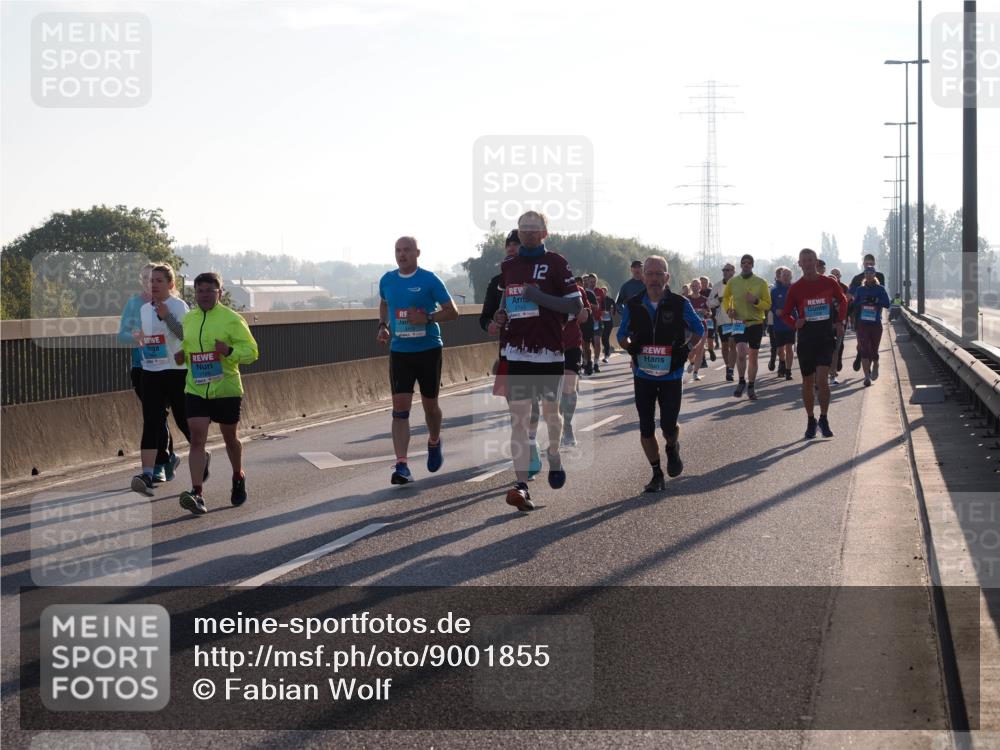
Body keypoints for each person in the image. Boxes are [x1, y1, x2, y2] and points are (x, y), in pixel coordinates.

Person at [493, 211, 582, 512]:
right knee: (518, 419)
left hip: (549, 352)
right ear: (518, 233)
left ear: (545, 232)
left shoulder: (557, 263)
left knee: (550, 415)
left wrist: (540, 297)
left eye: (534, 228)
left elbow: (575, 305)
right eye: (523, 228)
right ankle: (521, 485)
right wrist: (500, 316)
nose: (528, 233)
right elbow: (508, 300)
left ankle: (553, 453)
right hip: (517, 352)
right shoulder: (509, 265)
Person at [617, 256, 704, 493]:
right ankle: (656, 473)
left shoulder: (679, 303)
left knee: (667, 425)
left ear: (667, 277)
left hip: (671, 374)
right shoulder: (633, 304)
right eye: (650, 273)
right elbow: (621, 335)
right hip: (643, 374)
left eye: (659, 274)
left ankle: (672, 446)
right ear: (643, 277)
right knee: (646, 426)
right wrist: (630, 348)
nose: (654, 278)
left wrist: (686, 350)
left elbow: (699, 328)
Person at [377, 236, 460, 484]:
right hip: (400, 351)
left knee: (430, 408)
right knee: (400, 410)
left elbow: (453, 311)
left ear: (417, 253)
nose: (402, 255)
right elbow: (384, 302)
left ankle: (434, 440)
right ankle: (401, 466)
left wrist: (427, 318)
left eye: (407, 251)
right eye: (398, 251)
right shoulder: (387, 280)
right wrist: (383, 325)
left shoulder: (429, 280)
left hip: (428, 349)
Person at [175, 273, 260, 515]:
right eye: (199, 290)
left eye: (209, 290)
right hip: (196, 387)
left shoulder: (232, 319)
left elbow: (252, 352)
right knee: (197, 438)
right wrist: (182, 354)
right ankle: (197, 493)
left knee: (230, 438)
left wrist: (229, 350)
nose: (203, 295)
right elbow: (189, 345)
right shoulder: (189, 319)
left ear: (219, 293)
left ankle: (238, 475)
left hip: (226, 388)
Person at [482, 231, 544, 479]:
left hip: (537, 350)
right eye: (508, 245)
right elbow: (485, 315)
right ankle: (525, 449)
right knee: (516, 406)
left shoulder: (540, 277)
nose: (511, 248)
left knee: (534, 403)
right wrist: (491, 324)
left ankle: (531, 442)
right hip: (509, 352)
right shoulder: (498, 280)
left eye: (516, 244)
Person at [130, 264, 192, 497]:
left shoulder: (179, 306)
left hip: (176, 370)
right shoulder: (145, 310)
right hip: (151, 369)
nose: (153, 285)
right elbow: (152, 338)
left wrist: (167, 318)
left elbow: (184, 336)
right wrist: (142, 339)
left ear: (170, 284)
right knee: (151, 421)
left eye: (159, 281)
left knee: (183, 419)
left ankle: (199, 452)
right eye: (151, 281)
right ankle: (146, 474)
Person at [119, 262, 178, 482]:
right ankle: (161, 463)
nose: (149, 283)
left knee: (161, 416)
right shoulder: (134, 304)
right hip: (142, 367)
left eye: (153, 279)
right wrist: (136, 336)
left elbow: (182, 333)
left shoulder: (172, 304)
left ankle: (166, 459)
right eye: (145, 279)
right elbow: (121, 335)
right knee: (155, 416)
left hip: (169, 368)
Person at [780, 248, 847, 439]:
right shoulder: (796, 288)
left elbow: (843, 301)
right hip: (806, 339)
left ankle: (824, 418)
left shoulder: (829, 282)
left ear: (816, 262)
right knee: (808, 382)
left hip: (825, 337)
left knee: (822, 380)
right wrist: (795, 323)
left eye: (811, 260)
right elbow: (785, 314)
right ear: (799, 263)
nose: (808, 264)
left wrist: (840, 321)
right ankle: (811, 420)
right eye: (804, 261)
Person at [722, 254, 771, 401]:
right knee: (741, 352)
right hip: (739, 322)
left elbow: (768, 304)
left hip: (755, 322)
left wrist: (756, 300)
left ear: (752, 265)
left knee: (753, 357)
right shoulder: (733, 282)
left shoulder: (761, 282)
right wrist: (728, 309)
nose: (746, 265)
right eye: (744, 263)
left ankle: (751, 385)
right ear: (741, 265)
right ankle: (741, 381)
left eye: (749, 263)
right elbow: (726, 298)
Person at [561, 277, 592, 447]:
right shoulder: (543, 291)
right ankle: (557, 425)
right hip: (548, 346)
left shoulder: (577, 291)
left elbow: (584, 316)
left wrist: (575, 306)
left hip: (572, 344)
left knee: (570, 389)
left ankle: (567, 425)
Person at [852, 268, 891, 386]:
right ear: (864, 275)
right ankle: (866, 377)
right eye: (866, 273)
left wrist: (876, 300)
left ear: (874, 275)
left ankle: (876, 364)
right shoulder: (860, 289)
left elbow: (887, 304)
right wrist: (862, 301)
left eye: (871, 273)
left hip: (875, 324)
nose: (868, 275)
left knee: (874, 351)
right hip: (863, 324)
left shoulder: (880, 289)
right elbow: (854, 304)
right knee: (864, 350)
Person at [848, 256, 887, 371]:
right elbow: (849, 296)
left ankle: (869, 362)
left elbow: (882, 294)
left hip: (875, 317)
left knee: (872, 347)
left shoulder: (880, 276)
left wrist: (875, 300)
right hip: (860, 316)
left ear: (874, 263)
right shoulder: (856, 279)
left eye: (871, 263)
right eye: (866, 263)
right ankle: (861, 357)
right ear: (863, 263)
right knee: (862, 343)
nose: (868, 266)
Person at [708, 263, 738, 381]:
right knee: (725, 346)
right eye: (724, 270)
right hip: (723, 321)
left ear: (733, 272)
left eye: (728, 270)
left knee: (733, 344)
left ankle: (730, 370)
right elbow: (709, 303)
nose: (725, 272)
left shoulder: (738, 284)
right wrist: (718, 300)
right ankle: (727, 366)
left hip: (737, 320)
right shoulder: (717, 286)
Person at [769, 266, 796, 380]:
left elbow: (799, 303)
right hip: (778, 323)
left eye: (787, 276)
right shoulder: (774, 291)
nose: (785, 277)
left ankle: (788, 371)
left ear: (791, 277)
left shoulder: (794, 289)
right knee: (780, 349)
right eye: (783, 275)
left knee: (789, 347)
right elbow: (770, 304)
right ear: (779, 277)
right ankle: (782, 362)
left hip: (790, 322)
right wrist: (776, 310)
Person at [828, 268, 850, 384]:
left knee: (836, 350)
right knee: (826, 350)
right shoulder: (822, 295)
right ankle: (824, 373)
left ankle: (832, 374)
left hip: (837, 325)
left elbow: (846, 307)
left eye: (834, 280)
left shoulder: (842, 296)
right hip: (824, 327)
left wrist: (841, 322)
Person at [685, 279, 709, 381]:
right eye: (693, 286)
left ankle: (695, 373)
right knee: (691, 350)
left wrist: (705, 312)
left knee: (699, 350)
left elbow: (710, 313)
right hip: (690, 329)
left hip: (702, 327)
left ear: (700, 287)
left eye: (697, 285)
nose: (695, 287)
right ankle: (692, 362)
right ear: (691, 287)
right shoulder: (686, 299)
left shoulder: (704, 299)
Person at [580, 276, 599, 375]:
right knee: (580, 344)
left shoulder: (590, 293)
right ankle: (584, 362)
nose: (586, 282)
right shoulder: (577, 292)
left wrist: (587, 305)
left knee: (587, 345)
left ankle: (589, 363)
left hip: (588, 322)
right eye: (584, 281)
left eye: (587, 281)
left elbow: (596, 307)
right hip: (578, 322)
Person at [698, 276, 717, 361]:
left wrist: (712, 314)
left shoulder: (712, 292)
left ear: (708, 283)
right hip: (700, 319)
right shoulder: (698, 293)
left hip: (711, 318)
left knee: (710, 338)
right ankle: (703, 359)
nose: (703, 284)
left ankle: (710, 350)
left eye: (704, 282)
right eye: (701, 282)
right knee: (702, 339)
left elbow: (717, 303)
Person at [598, 285, 615, 359]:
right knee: (603, 338)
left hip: (609, 322)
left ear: (606, 292)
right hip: (601, 321)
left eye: (604, 291)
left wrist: (611, 311)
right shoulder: (598, 300)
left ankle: (607, 353)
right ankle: (606, 350)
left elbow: (614, 309)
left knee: (606, 337)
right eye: (602, 291)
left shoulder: (610, 300)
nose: (603, 292)